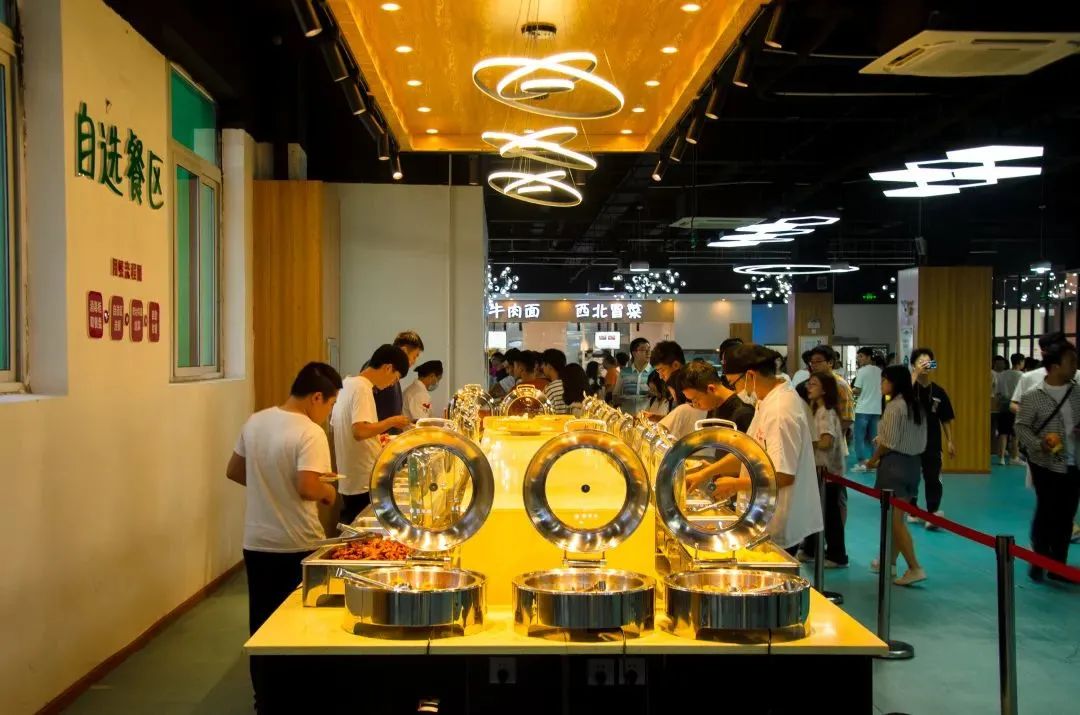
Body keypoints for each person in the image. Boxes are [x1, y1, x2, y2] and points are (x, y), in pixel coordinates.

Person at [225, 362, 342, 707]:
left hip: (257, 543)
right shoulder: (310, 432)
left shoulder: (256, 421)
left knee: (262, 624)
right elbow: (308, 486)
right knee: (300, 625)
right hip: (297, 544)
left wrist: (269, 487)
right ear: (316, 397)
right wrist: (329, 493)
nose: (328, 413)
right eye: (330, 405)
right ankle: (298, 699)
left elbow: (234, 470)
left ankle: (265, 698)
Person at [687, 345, 823, 553]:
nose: (735, 390)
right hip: (761, 512)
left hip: (777, 518)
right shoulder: (766, 400)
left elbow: (784, 475)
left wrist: (736, 484)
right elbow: (748, 451)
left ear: (750, 375)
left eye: (734, 383)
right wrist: (706, 473)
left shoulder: (780, 410)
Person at [1015, 340, 1080, 582]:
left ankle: (1058, 566)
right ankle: (1039, 558)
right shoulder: (1034, 396)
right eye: (1070, 361)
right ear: (1054, 366)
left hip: (1074, 463)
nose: (1075, 366)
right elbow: (1021, 427)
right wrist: (1038, 444)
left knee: (1066, 514)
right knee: (1046, 510)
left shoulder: (1078, 393)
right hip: (1045, 463)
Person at [331, 344, 412, 525]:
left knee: (353, 524)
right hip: (362, 479)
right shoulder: (362, 388)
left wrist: (376, 438)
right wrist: (392, 421)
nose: (393, 384)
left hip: (350, 478)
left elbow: (345, 428)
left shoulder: (346, 384)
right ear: (388, 368)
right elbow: (359, 431)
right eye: (396, 378)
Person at [866, 365, 928, 586]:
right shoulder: (916, 405)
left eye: (884, 380)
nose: (881, 384)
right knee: (896, 518)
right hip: (913, 465)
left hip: (894, 466)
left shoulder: (894, 407)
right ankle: (889, 562)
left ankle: (914, 567)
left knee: (895, 521)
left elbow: (888, 443)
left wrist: (872, 460)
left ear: (894, 382)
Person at [798, 371, 848, 567]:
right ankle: (811, 548)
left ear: (825, 389)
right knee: (817, 511)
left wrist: (807, 444)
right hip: (820, 471)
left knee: (830, 515)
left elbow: (826, 442)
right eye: (809, 384)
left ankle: (837, 554)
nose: (809, 387)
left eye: (814, 384)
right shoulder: (817, 411)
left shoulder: (826, 412)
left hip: (827, 472)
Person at [908, 348, 956, 528]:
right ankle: (912, 509)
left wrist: (950, 441)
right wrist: (914, 375)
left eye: (928, 362)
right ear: (913, 365)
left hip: (932, 441)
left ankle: (932, 512)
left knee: (933, 476)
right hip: (910, 441)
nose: (925, 366)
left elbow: (946, 418)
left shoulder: (938, 391)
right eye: (921, 362)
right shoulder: (908, 388)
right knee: (911, 476)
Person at [680, 360, 755, 433]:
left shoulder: (743, 414)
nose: (695, 405)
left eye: (695, 400)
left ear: (711, 389)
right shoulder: (714, 405)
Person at [374, 331, 424, 434]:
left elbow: (391, 412)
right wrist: (392, 422)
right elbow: (361, 429)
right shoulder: (377, 374)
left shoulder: (394, 374)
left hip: (390, 437)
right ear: (404, 351)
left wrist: (405, 423)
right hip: (379, 438)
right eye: (414, 356)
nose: (414, 362)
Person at [851, 347, 883, 472]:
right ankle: (874, 463)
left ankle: (861, 463)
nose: (859, 359)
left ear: (869, 357)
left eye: (861, 356)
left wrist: (848, 390)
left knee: (859, 438)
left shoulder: (862, 371)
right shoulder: (880, 371)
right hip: (876, 409)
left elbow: (857, 390)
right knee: (874, 438)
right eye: (858, 357)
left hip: (863, 409)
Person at [809, 346, 854, 433]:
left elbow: (848, 418)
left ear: (830, 362)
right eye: (812, 362)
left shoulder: (841, 385)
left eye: (818, 361)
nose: (814, 365)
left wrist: (830, 434)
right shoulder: (812, 382)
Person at [658, 368, 708, 439]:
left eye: (671, 391)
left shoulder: (684, 409)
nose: (671, 395)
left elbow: (660, 431)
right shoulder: (705, 408)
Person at [995, 354, 1025, 465]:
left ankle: (1001, 458)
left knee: (1003, 432)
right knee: (1015, 434)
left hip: (1004, 405)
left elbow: (998, 392)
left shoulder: (1002, 374)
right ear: (1020, 362)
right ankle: (1014, 457)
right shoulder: (1022, 376)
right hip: (1016, 406)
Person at [618, 337, 654, 415]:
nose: (648, 352)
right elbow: (616, 396)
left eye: (649, 349)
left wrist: (652, 393)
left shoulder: (654, 373)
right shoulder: (624, 372)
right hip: (626, 416)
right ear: (634, 353)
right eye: (644, 350)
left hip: (646, 417)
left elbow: (661, 397)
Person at [540, 348, 569, 414]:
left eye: (543, 364)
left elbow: (543, 413)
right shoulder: (569, 384)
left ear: (549, 366)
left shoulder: (550, 389)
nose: (542, 367)